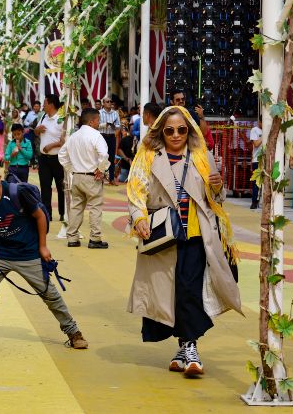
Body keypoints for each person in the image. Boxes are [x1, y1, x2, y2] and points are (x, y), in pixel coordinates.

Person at [127, 106, 242, 376]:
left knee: (190, 290)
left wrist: (216, 185)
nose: (176, 135)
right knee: (168, 294)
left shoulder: (202, 157)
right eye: (170, 130)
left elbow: (217, 198)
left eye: (181, 129)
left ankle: (190, 347)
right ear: (161, 131)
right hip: (162, 236)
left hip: (196, 234)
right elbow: (135, 190)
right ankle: (183, 347)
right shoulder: (147, 157)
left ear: (189, 130)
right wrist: (139, 217)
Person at [0, 159, 89, 349]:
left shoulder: (17, 193)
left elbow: (40, 216)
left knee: (50, 294)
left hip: (28, 254)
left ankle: (73, 332)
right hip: (0, 254)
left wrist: (43, 246)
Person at [58, 108, 110, 249]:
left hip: (77, 176)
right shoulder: (96, 135)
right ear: (92, 121)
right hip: (92, 176)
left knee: (76, 207)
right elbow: (104, 155)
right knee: (95, 207)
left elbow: (62, 155)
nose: (99, 123)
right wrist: (101, 169)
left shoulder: (74, 136)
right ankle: (95, 238)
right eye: (98, 120)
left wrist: (71, 169)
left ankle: (72, 238)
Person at [34, 94, 66, 222]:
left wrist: (52, 145)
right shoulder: (43, 117)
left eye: (44, 103)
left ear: (51, 104)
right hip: (44, 158)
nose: (43, 106)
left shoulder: (61, 119)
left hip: (58, 158)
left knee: (61, 186)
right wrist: (38, 129)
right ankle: (47, 213)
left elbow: (66, 140)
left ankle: (63, 212)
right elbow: (36, 132)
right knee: (45, 186)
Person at [99, 96, 121, 186]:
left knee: (111, 157)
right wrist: (106, 124)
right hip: (102, 136)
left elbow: (118, 125)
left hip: (112, 136)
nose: (109, 103)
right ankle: (100, 178)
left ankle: (111, 179)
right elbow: (96, 125)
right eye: (107, 101)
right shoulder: (99, 113)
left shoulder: (115, 113)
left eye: (110, 101)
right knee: (101, 157)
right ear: (103, 103)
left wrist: (114, 126)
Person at [248, 118, 263, 209]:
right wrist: (263, 135)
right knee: (256, 182)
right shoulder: (254, 130)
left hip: (267, 159)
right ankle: (254, 202)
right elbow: (256, 144)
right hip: (257, 160)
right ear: (260, 122)